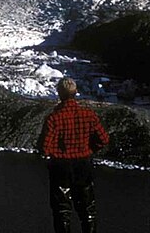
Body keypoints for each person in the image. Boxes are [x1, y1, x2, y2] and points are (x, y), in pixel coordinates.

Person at [41, 77, 109, 233]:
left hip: (60, 167)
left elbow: (45, 147)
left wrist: (52, 153)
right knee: (88, 210)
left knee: (62, 211)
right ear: (75, 92)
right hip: (83, 164)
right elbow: (104, 139)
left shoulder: (54, 118)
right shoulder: (89, 115)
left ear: (59, 93)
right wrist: (90, 148)